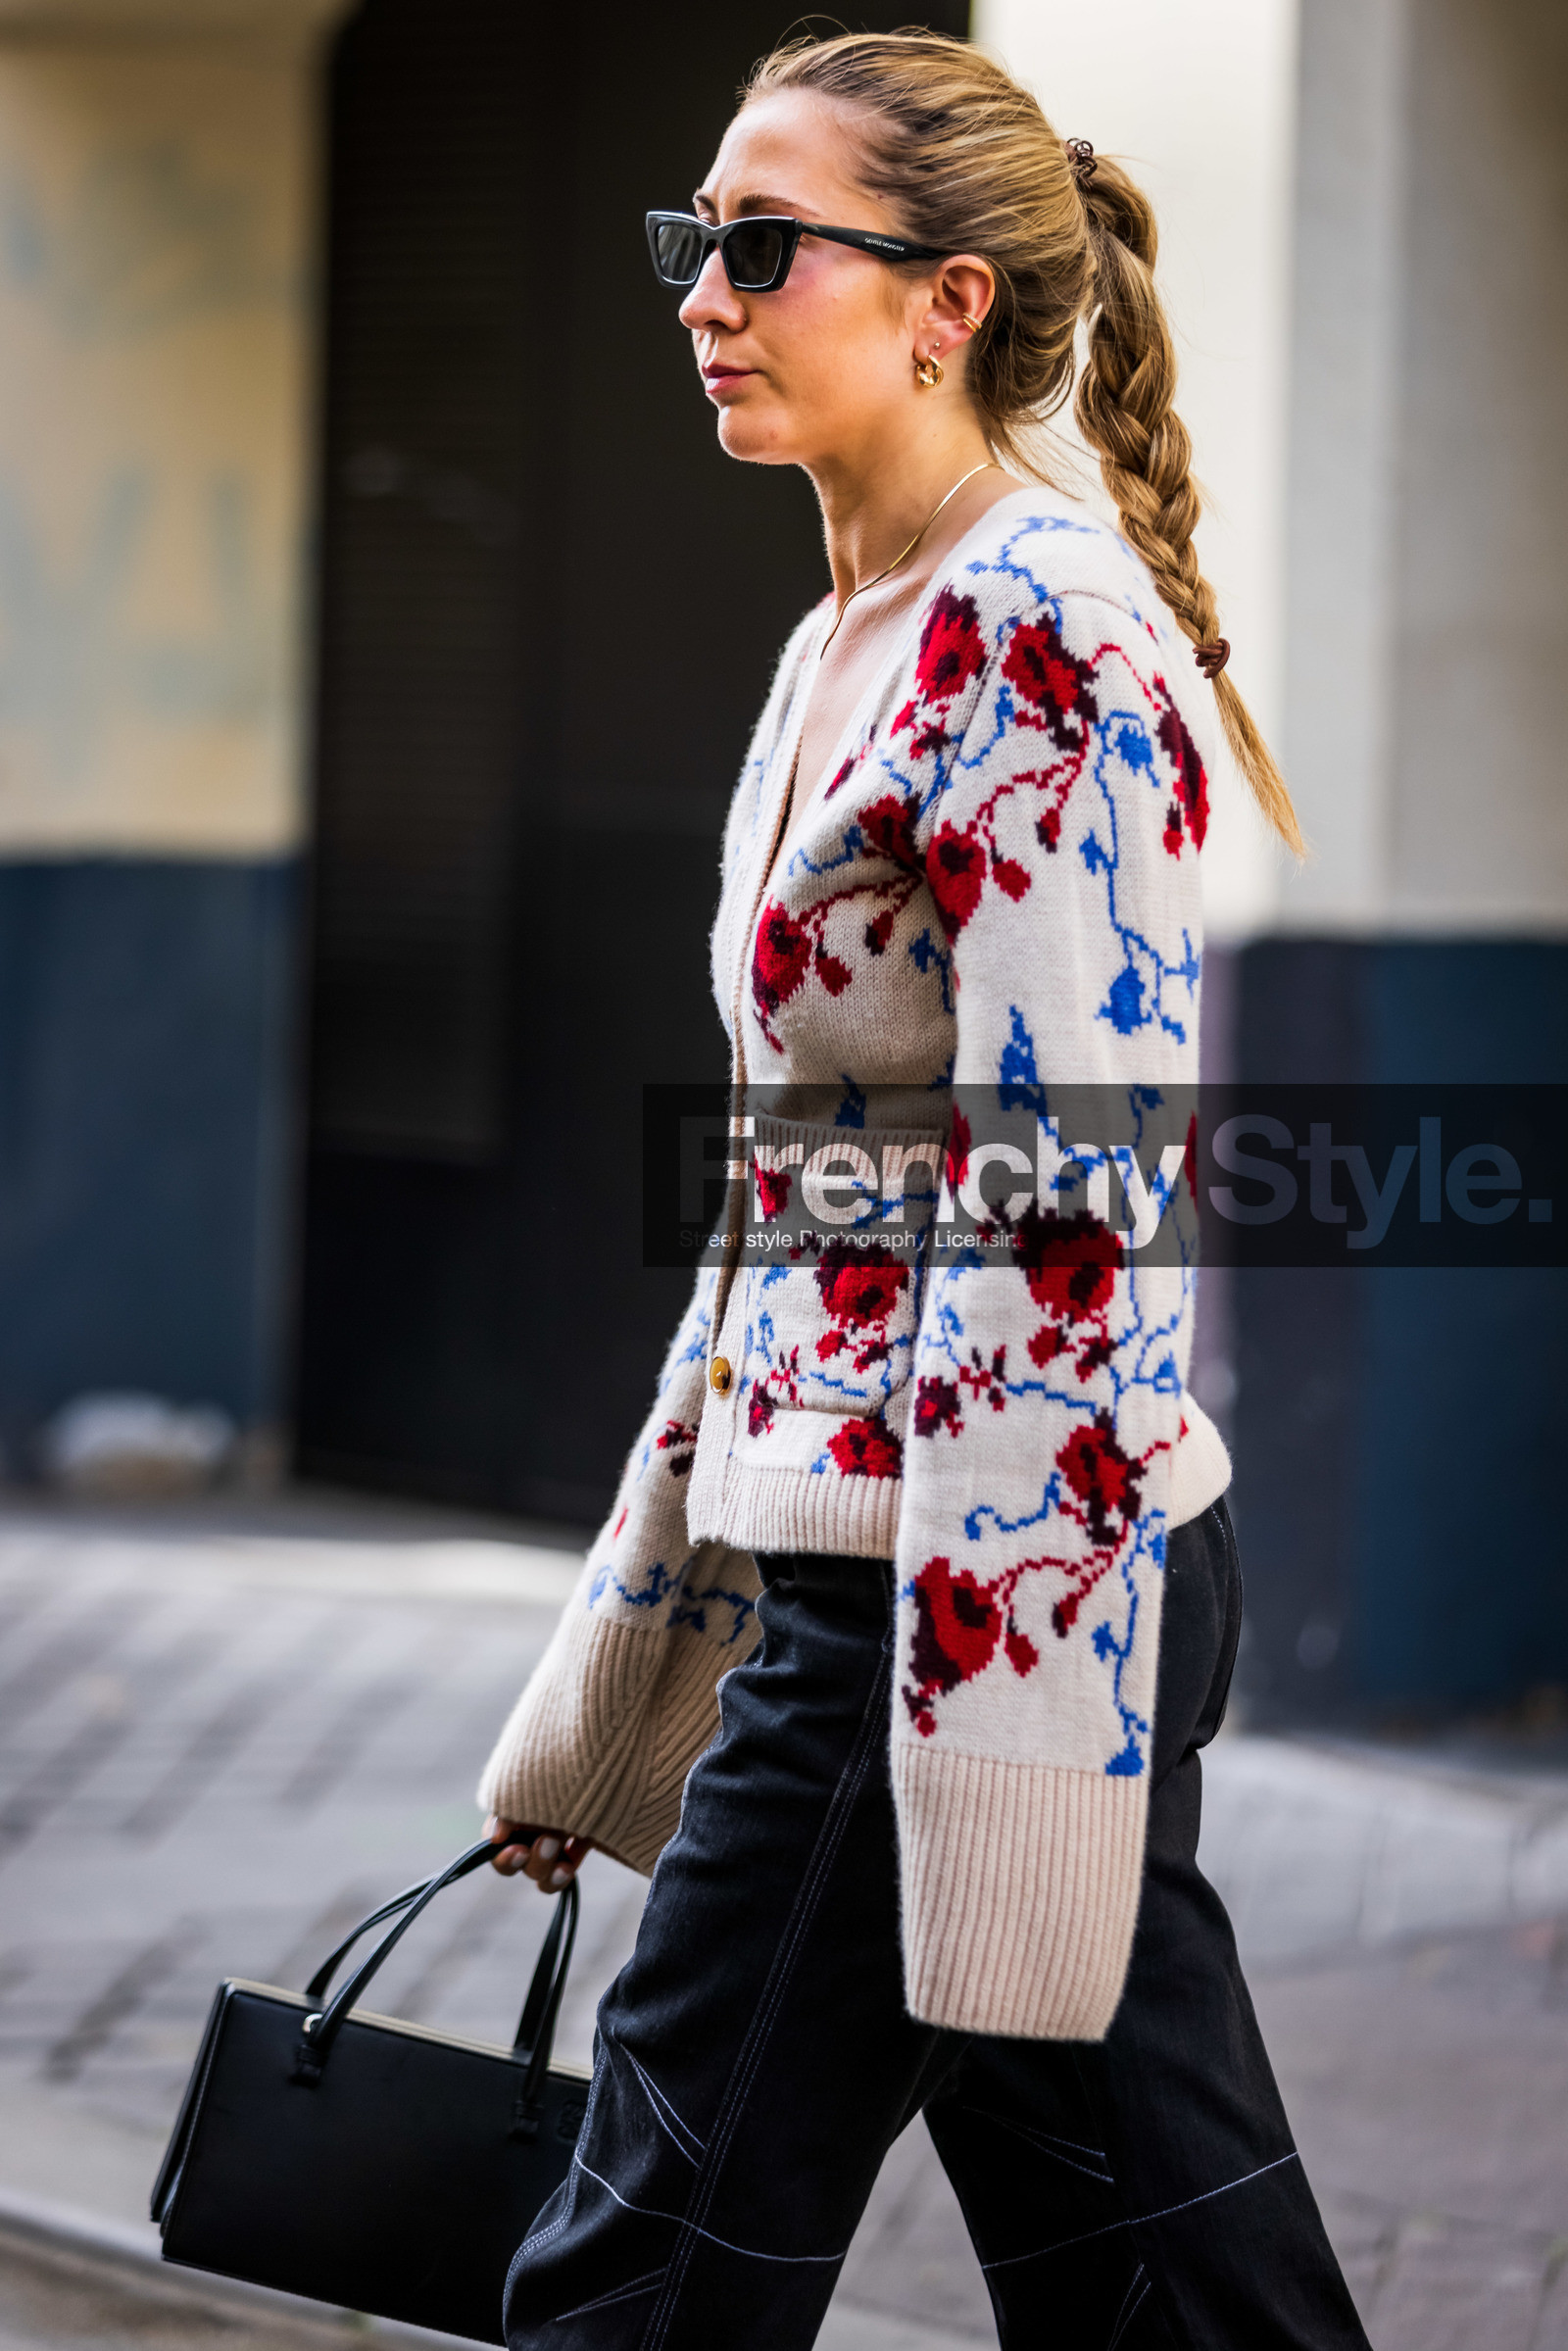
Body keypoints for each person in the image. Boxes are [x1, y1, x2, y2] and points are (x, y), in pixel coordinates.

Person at [477, 30, 1367, 2349]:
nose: (700, 291)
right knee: (1161, 2290)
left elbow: (1073, 1221)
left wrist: (980, 1693)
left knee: (635, 2277)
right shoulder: (835, 643)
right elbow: (798, 1211)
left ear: (944, 301)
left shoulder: (1041, 629)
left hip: (973, 1600)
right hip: (899, 1584)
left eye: (759, 244)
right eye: (695, 239)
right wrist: (623, 1670)